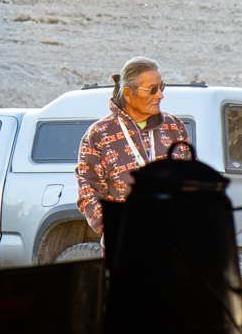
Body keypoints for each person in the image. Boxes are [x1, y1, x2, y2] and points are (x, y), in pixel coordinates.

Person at [76, 56, 191, 237]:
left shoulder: (174, 127)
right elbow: (88, 191)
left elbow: (191, 180)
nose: (160, 95)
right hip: (126, 244)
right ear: (129, 94)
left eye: (161, 87)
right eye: (152, 90)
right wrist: (115, 227)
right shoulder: (99, 134)